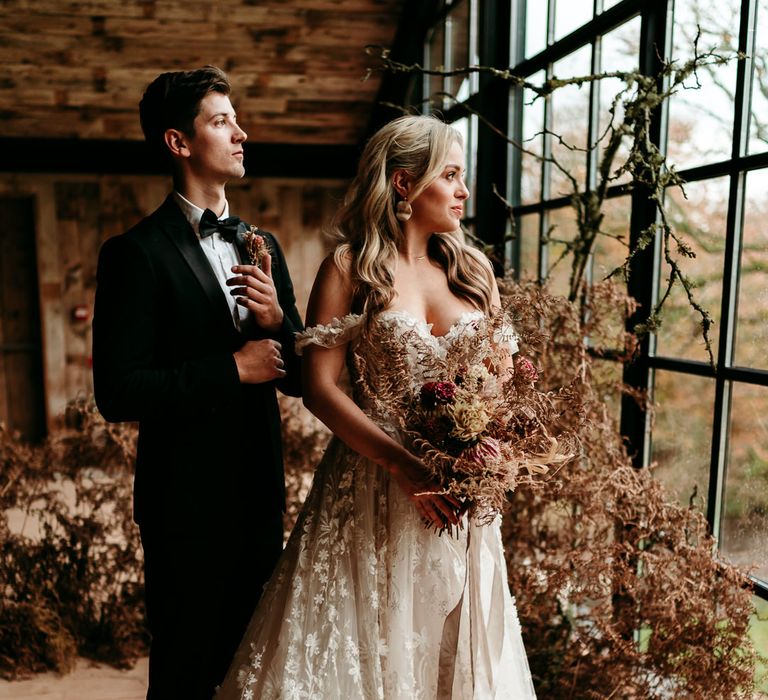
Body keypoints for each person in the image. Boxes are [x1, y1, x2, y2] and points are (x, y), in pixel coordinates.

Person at [216, 114, 535, 699]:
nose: (464, 191)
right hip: (369, 486)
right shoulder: (348, 268)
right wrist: (403, 465)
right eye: (452, 175)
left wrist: (486, 446)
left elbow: (505, 382)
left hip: (458, 498)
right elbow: (319, 387)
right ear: (403, 183)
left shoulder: (475, 271)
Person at [91, 66, 303, 699]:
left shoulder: (261, 243)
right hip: (184, 504)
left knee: (254, 669)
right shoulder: (134, 253)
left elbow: (293, 377)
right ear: (178, 143)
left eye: (236, 120)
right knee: (185, 671)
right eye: (221, 121)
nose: (241, 133)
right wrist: (231, 369)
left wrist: (278, 323)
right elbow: (119, 390)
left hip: (260, 493)